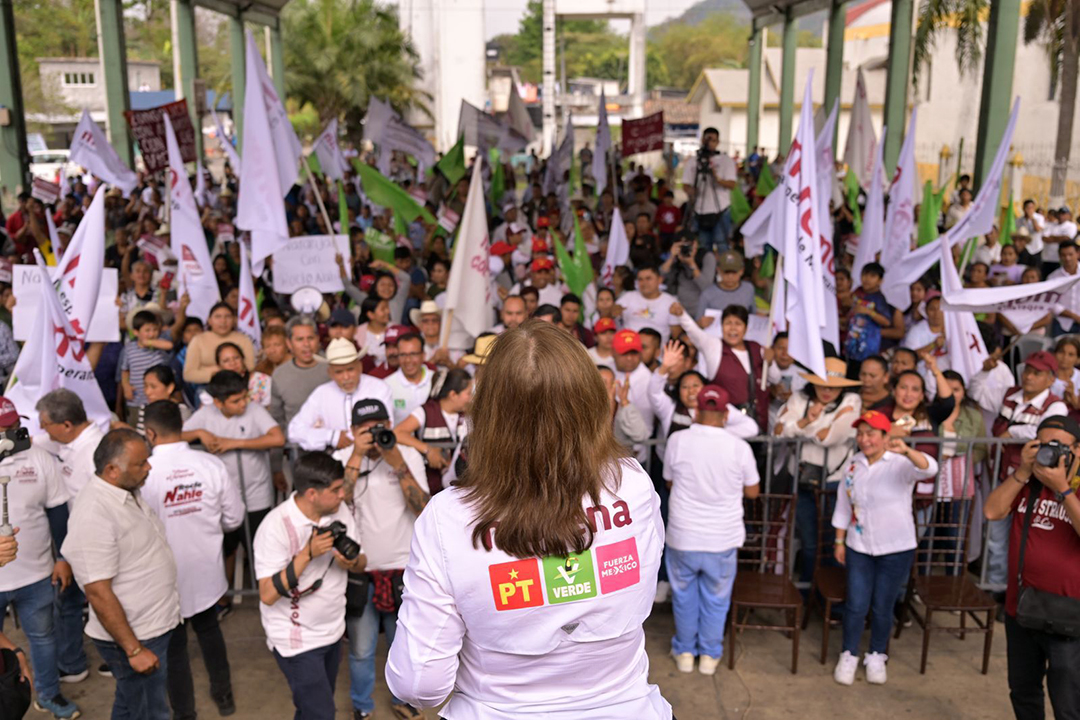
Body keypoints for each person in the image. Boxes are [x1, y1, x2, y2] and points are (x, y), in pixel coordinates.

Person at [385, 321, 672, 719]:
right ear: (591, 401)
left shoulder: (448, 518)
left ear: (487, 412)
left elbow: (419, 685)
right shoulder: (635, 484)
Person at [62, 429, 182, 720]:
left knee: (130, 706)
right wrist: (133, 650)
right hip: (136, 636)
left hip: (150, 627)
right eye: (141, 463)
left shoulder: (125, 491)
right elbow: (97, 592)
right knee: (151, 713)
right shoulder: (94, 514)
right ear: (112, 470)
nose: (149, 467)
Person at [142, 401, 244, 718]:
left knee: (174, 647)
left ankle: (185, 713)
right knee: (210, 631)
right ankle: (224, 696)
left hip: (163, 577)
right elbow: (234, 518)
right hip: (206, 570)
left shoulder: (143, 472)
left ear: (149, 432)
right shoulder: (210, 465)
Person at [331, 399, 428, 720]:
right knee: (360, 649)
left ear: (389, 425)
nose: (373, 435)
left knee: (405, 646)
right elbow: (333, 506)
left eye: (378, 428)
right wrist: (357, 455)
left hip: (403, 569)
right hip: (360, 571)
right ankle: (362, 706)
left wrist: (397, 462)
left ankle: (406, 699)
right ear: (353, 431)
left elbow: (424, 510)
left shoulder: (406, 454)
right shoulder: (342, 459)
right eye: (364, 430)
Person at [253, 452, 366, 719]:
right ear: (312, 493)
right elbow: (267, 594)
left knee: (312, 709)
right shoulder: (275, 526)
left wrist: (350, 562)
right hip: (297, 641)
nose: (343, 494)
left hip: (333, 632)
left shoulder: (339, 512)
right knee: (322, 713)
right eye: (336, 489)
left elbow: (362, 562)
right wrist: (307, 554)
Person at [984, 415, 1080, 720]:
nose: (1050, 452)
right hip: (1022, 608)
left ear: (1078, 450)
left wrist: (1064, 490)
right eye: (1042, 444)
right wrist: (1023, 470)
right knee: (1023, 691)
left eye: (1059, 446)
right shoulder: (1027, 482)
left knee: (1069, 702)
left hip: (1070, 615)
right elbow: (992, 511)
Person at [832, 412, 938, 686]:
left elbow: (930, 470)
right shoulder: (853, 465)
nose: (864, 440)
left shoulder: (900, 464)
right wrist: (840, 540)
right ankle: (849, 653)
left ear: (885, 437)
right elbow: (844, 506)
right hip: (859, 545)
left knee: (882, 606)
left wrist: (907, 450)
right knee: (856, 604)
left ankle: (877, 654)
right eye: (861, 434)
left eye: (871, 434)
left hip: (896, 547)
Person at [663, 385, 759, 674]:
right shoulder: (739, 447)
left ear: (696, 410)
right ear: (726, 413)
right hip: (722, 537)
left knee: (684, 596)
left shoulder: (677, 441)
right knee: (716, 600)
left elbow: (669, 481)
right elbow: (753, 492)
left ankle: (684, 652)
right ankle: (709, 655)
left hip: (683, 535)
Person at [0, 398, 81, 718]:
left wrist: (62, 557)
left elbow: (58, 510)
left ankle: (48, 694)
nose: (12, 434)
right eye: (4, 429)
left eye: (14, 426)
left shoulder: (39, 458)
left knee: (44, 639)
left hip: (35, 574)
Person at [986, 350, 1069, 592]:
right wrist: (984, 371)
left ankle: (1017, 588)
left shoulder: (1056, 405)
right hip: (1005, 475)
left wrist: (1012, 433)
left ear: (1051, 379)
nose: (1029, 376)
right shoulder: (1010, 393)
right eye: (1028, 370)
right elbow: (978, 392)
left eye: (1037, 372)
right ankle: (997, 588)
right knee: (996, 537)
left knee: (1026, 539)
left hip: (1036, 483)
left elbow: (1045, 433)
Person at [775, 358, 863, 585]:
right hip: (802, 480)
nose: (827, 391)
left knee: (833, 541)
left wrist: (800, 428)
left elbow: (833, 436)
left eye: (834, 387)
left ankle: (831, 597)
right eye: (823, 384)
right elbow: (778, 431)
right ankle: (808, 590)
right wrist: (807, 420)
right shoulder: (800, 398)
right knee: (809, 541)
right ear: (813, 383)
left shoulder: (852, 400)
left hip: (834, 482)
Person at [672, 302, 770, 431]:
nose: (733, 328)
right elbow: (694, 332)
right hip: (725, 425)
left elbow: (773, 378)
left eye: (738, 324)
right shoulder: (714, 346)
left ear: (746, 328)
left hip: (758, 420)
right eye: (728, 323)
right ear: (721, 326)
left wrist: (771, 360)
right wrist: (681, 314)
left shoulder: (757, 348)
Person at [288, 338, 394, 451]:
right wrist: (332, 436)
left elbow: (388, 426)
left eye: (350, 369)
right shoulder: (321, 394)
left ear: (360, 367)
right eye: (339, 372)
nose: (346, 377)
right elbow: (295, 431)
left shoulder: (379, 388)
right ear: (330, 373)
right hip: (334, 462)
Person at [393, 368, 473, 495]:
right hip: (431, 488)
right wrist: (428, 449)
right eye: (468, 393)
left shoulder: (469, 415)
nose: (471, 398)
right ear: (453, 395)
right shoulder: (425, 412)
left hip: (461, 490)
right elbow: (397, 433)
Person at [682, 127, 737, 252]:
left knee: (722, 243)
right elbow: (685, 184)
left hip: (721, 210)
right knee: (703, 246)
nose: (709, 142)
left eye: (713, 140)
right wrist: (692, 191)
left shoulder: (725, 160)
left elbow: (732, 184)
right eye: (707, 139)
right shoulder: (693, 161)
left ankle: (724, 270)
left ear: (718, 142)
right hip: (700, 210)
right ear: (702, 140)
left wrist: (716, 178)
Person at [269, 316, 329, 429]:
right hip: (295, 443)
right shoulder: (280, 375)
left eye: (310, 338)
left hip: (335, 441)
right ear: (289, 343)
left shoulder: (332, 367)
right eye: (300, 339)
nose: (306, 344)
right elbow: (276, 418)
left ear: (318, 339)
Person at [182, 302, 256, 385]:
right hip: (209, 385)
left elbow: (250, 367)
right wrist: (216, 371)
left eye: (228, 316)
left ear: (234, 320)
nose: (223, 321)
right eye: (218, 316)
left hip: (240, 383)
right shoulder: (198, 340)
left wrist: (206, 368)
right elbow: (188, 374)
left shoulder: (243, 339)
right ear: (209, 320)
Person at [613, 265, 680, 345]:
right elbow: (610, 315)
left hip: (658, 354)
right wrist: (612, 312)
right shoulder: (628, 297)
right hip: (628, 350)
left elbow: (676, 335)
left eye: (648, 278)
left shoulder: (670, 302)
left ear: (660, 280)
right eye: (640, 279)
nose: (644, 283)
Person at [383, 333, 434, 425]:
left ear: (423, 355)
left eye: (413, 354)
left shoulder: (437, 380)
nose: (408, 360)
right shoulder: (386, 386)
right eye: (403, 355)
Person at [696, 250, 755, 320]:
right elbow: (697, 321)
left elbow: (753, 314)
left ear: (741, 271)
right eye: (726, 272)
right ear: (718, 270)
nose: (730, 276)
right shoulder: (707, 294)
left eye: (734, 272)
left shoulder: (748, 289)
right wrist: (701, 323)